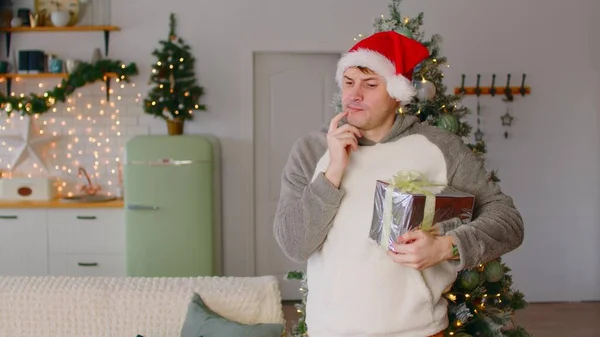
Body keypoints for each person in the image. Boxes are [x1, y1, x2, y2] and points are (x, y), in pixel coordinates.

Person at [273, 31, 524, 337]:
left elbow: (508, 221)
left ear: (396, 92)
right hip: (329, 330)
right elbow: (295, 244)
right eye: (349, 82)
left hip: (417, 331)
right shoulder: (312, 150)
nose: (354, 95)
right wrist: (334, 170)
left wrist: (448, 247)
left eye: (370, 85)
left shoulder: (440, 147)